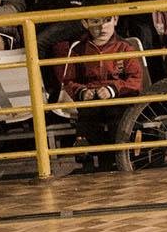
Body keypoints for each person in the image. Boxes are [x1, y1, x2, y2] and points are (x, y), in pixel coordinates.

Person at [57, 11, 147, 171]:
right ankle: (87, 150)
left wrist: (114, 89)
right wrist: (82, 91)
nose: (102, 27)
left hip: (119, 99)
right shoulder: (78, 49)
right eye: (95, 21)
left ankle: (123, 155)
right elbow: (69, 81)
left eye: (107, 20)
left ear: (115, 19)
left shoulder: (125, 48)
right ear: (85, 23)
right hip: (91, 100)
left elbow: (136, 79)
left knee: (118, 120)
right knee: (87, 118)